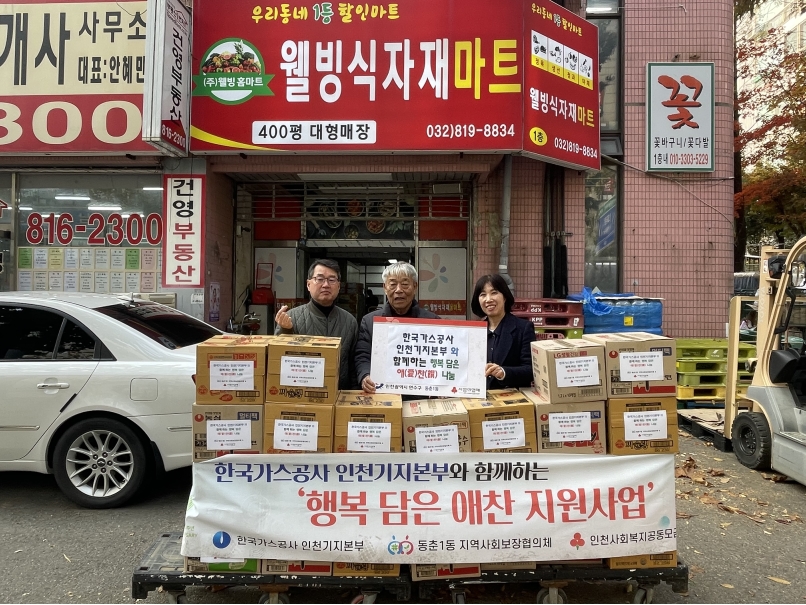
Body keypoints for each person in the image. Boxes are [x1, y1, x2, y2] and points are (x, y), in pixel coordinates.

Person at [355, 262, 439, 393]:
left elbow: (440, 359)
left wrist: (442, 385)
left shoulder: (432, 322)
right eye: (393, 284)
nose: (399, 290)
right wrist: (365, 375)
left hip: (421, 395)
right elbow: (363, 354)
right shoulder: (370, 321)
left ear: (415, 286)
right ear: (385, 287)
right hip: (382, 394)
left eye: (405, 284)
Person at [275, 259, 358, 389]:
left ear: (338, 286)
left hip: (340, 393)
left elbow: (353, 365)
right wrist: (285, 331)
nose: (326, 285)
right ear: (308, 284)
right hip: (301, 393)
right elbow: (277, 360)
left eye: (332, 280)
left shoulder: (349, 321)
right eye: (319, 279)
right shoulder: (291, 317)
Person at [471, 274, 536, 390]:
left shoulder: (523, 328)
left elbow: (531, 370)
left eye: (494, 293)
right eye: (483, 295)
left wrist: (504, 372)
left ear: (505, 296)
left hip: (512, 398)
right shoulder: (475, 332)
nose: (488, 299)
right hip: (478, 397)